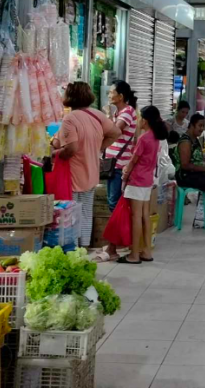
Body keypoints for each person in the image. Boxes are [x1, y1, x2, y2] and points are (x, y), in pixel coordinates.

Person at [50, 82, 119, 247]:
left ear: (70, 97)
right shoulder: (96, 114)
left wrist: (55, 154)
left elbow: (71, 149)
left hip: (73, 174)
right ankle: (85, 246)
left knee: (70, 212)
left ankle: (72, 246)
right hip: (91, 171)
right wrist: (98, 147)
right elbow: (116, 132)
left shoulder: (70, 118)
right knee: (86, 211)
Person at [92, 80, 138, 262]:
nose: (109, 94)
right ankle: (116, 244)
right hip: (115, 165)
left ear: (120, 96)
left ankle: (113, 247)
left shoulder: (127, 112)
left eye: (112, 92)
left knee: (115, 206)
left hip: (119, 166)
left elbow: (114, 131)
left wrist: (106, 117)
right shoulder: (121, 112)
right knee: (115, 205)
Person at [119, 106, 170, 263]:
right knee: (145, 216)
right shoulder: (155, 137)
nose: (138, 120)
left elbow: (134, 160)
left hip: (137, 181)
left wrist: (125, 174)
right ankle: (146, 251)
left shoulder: (144, 138)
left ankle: (134, 254)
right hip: (147, 180)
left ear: (145, 121)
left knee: (136, 217)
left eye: (140, 118)